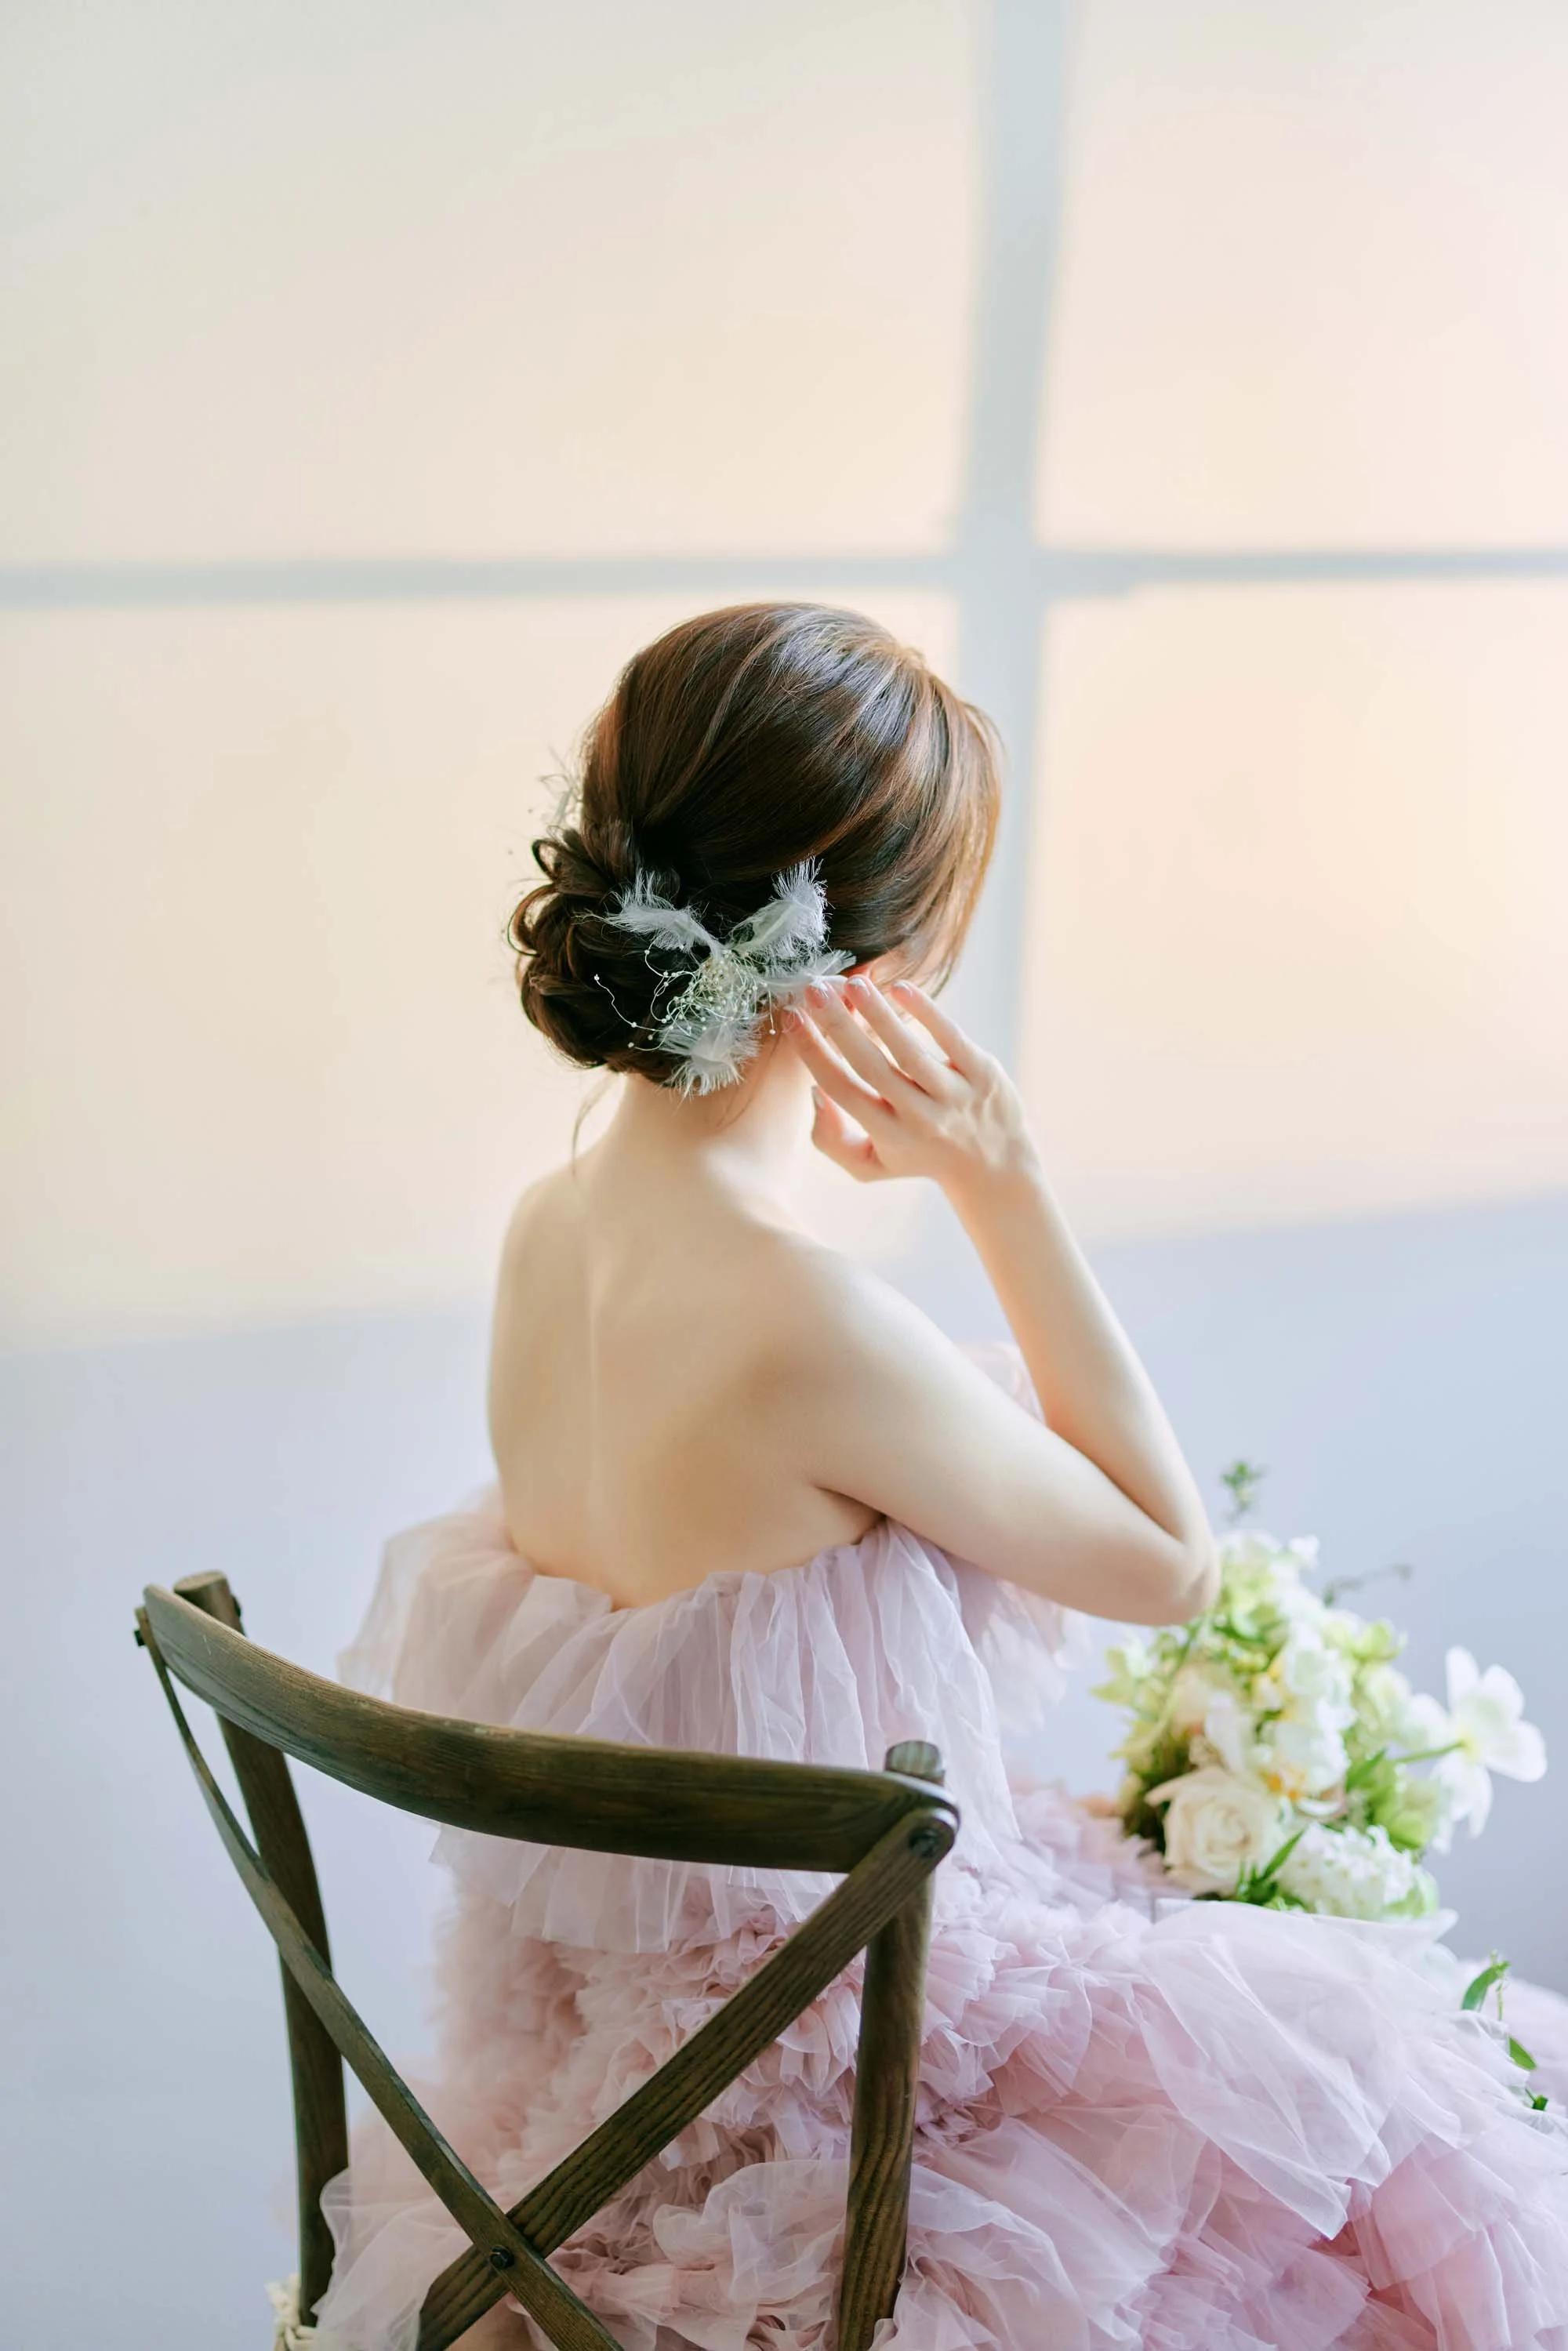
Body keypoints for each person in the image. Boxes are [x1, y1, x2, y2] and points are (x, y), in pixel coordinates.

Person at [313, 605, 1568, 2351]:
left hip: (581, 2117)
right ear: (861, 960)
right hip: (812, 2133)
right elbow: (1165, 1558)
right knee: (1378, 2121)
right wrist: (1005, 1181)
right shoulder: (805, 1325)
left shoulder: (549, 1233)